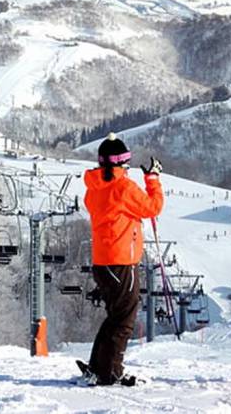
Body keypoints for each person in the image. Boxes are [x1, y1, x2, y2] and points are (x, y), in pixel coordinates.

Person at [82, 133, 164, 386]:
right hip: (121, 261)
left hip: (103, 261)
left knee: (114, 316)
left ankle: (99, 366)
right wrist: (153, 179)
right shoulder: (123, 187)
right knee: (124, 319)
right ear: (122, 162)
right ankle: (110, 372)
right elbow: (153, 207)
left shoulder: (93, 189)